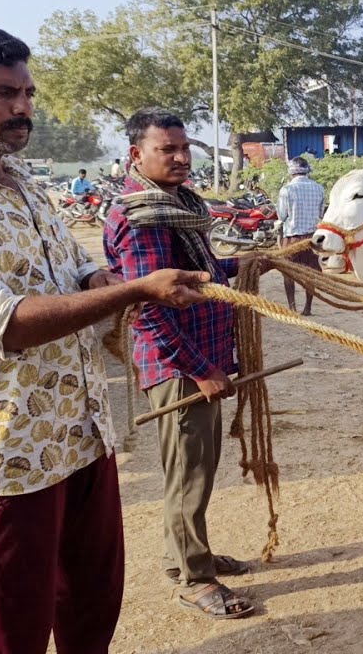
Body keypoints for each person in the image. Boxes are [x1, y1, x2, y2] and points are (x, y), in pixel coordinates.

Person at [0, 21, 210, 654]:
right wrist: (136, 290)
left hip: (80, 438)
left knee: (90, 615)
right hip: (4, 461)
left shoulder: (23, 183)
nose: (23, 108)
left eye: (27, 92)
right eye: (2, 93)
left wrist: (103, 277)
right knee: (11, 636)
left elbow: (72, 270)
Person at [103, 107, 257, 620]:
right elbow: (148, 307)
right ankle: (194, 578)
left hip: (202, 356)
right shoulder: (141, 216)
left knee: (198, 468)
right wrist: (200, 370)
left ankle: (187, 555)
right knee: (189, 472)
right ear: (136, 155)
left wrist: (251, 261)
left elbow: (204, 273)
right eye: (167, 149)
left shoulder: (179, 207)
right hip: (180, 367)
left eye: (184, 147)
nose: (181, 157)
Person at [277, 156, 326, 315]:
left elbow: (282, 216)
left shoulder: (287, 189)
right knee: (310, 273)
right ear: (307, 171)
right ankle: (307, 308)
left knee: (288, 272)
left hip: (292, 238)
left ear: (291, 172)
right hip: (312, 238)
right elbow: (320, 213)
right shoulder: (319, 188)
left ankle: (292, 308)